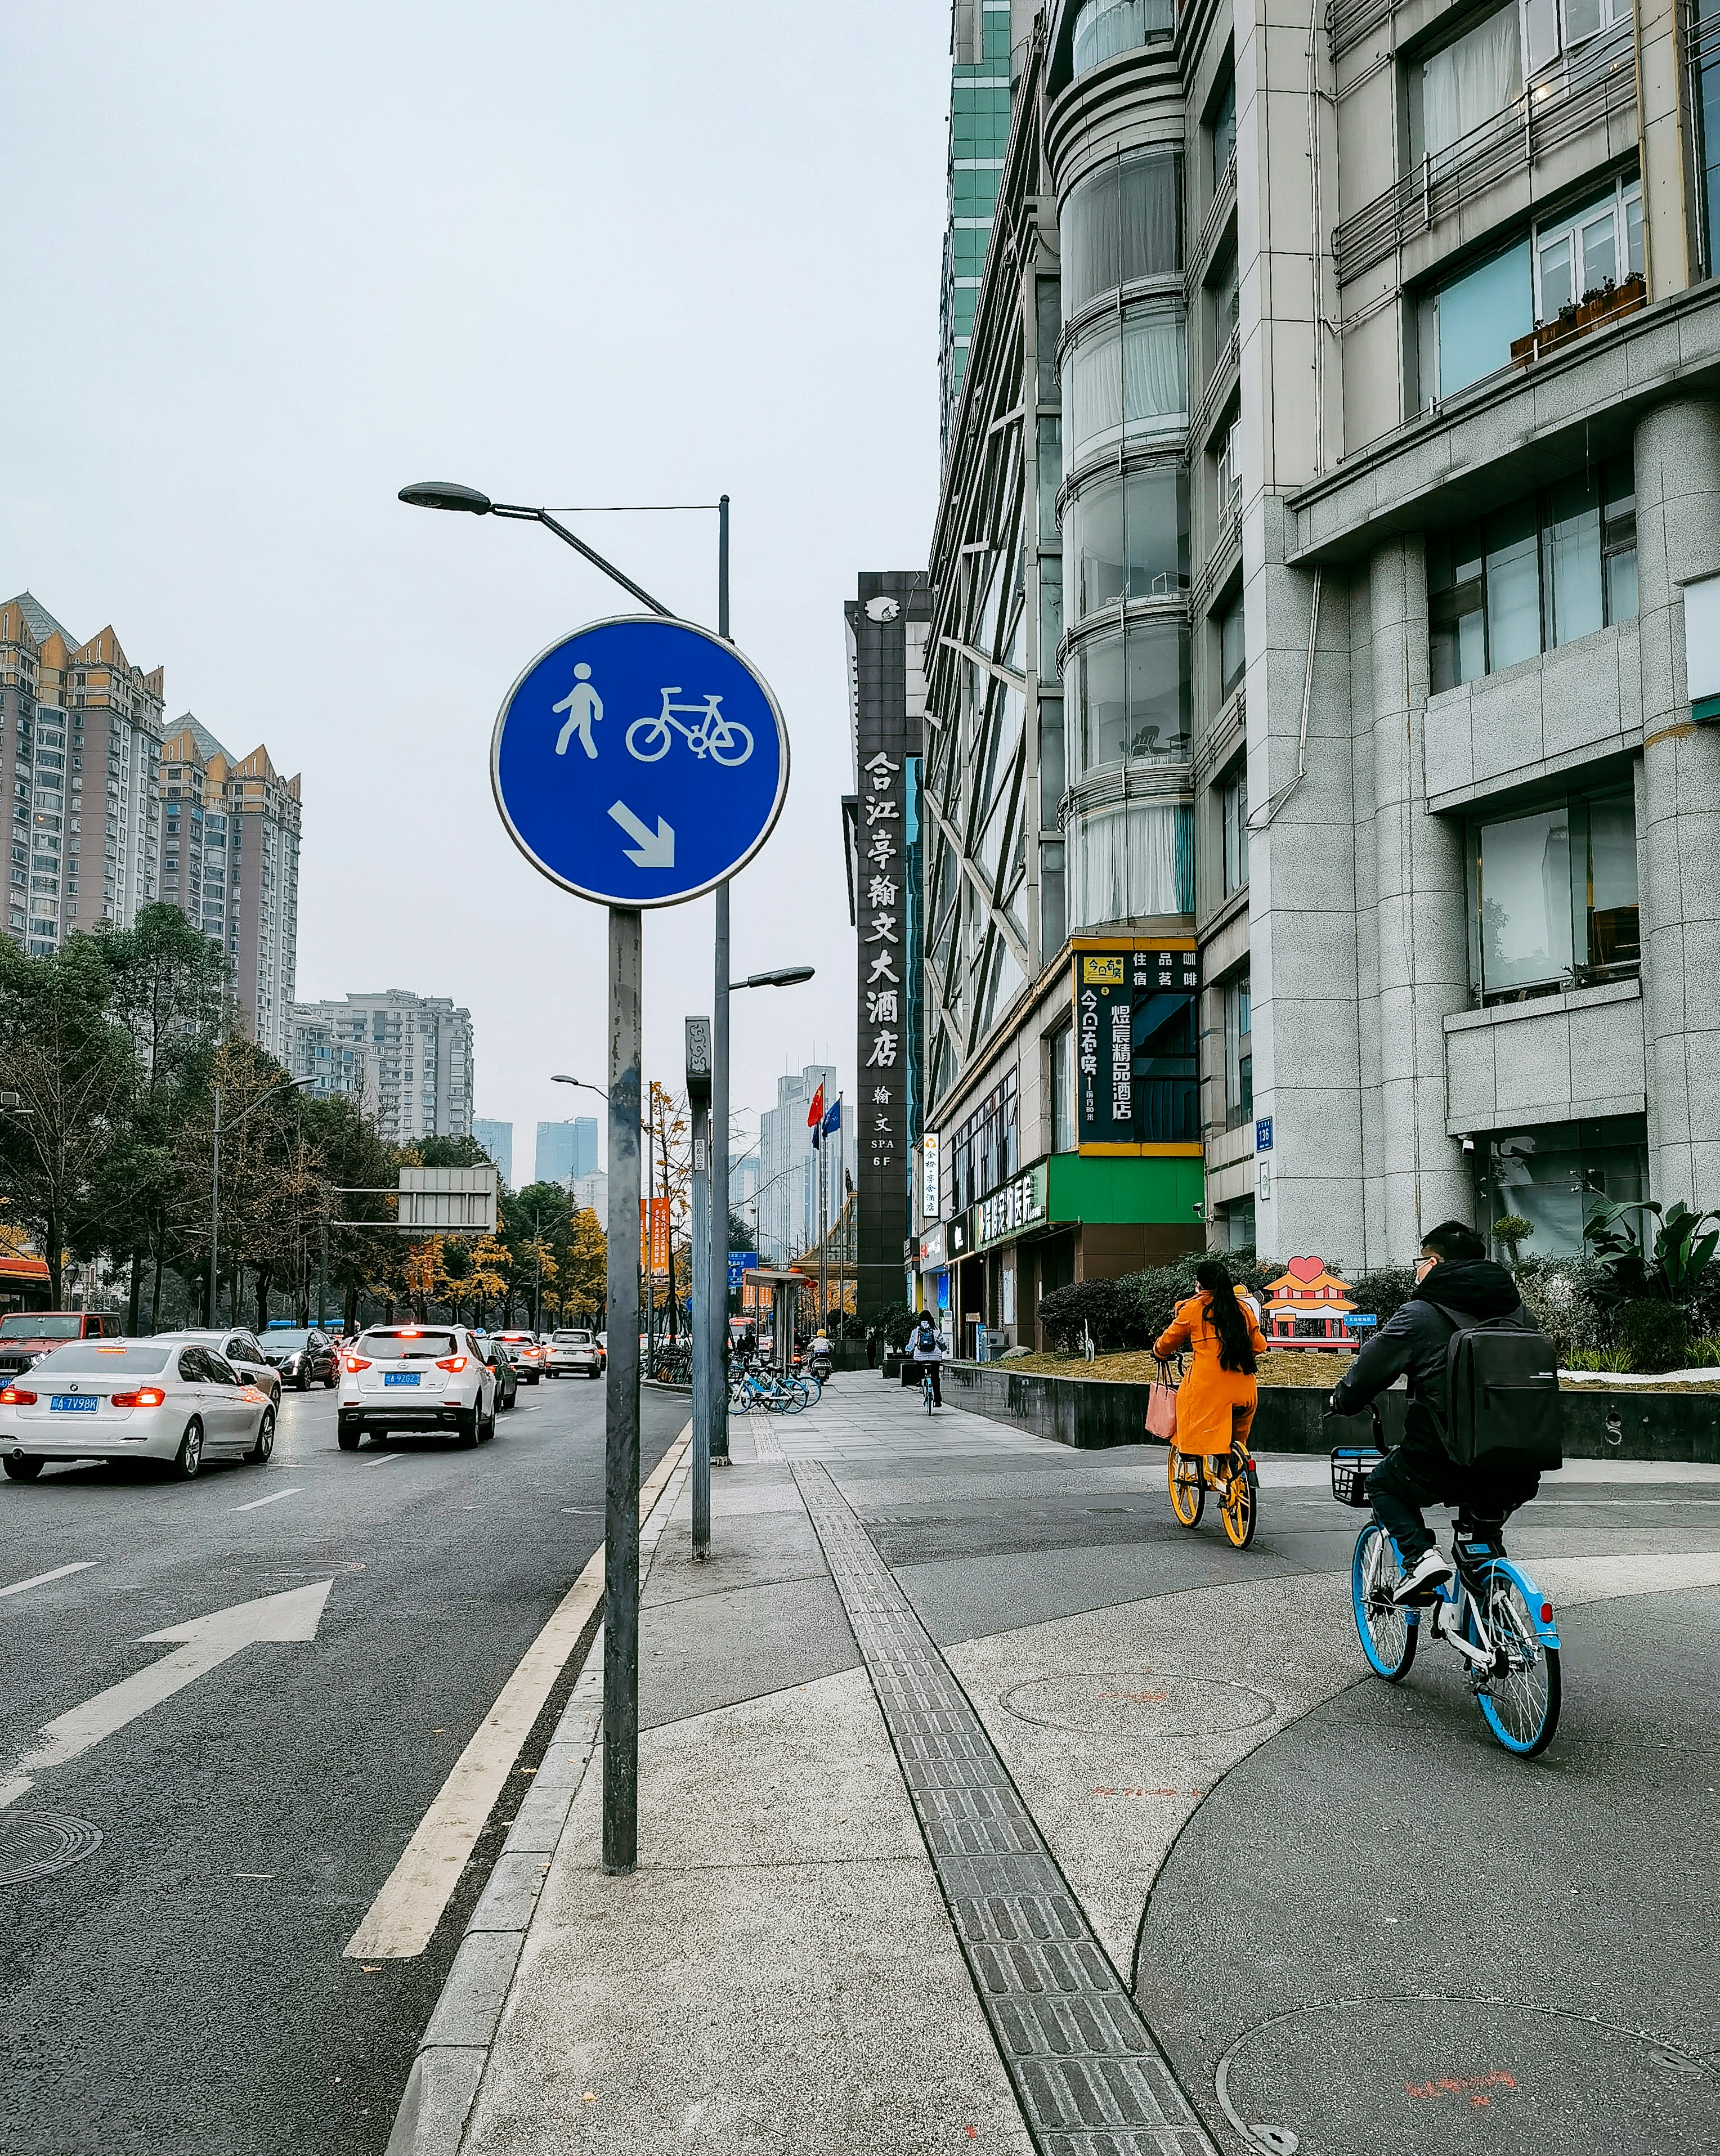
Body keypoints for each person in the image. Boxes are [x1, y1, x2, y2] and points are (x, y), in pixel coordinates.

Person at [1329, 1219, 1542, 1604]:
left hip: (1444, 1459)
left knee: (1383, 1484)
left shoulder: (1420, 1314)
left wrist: (1342, 1401)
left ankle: (1421, 1559)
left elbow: (1368, 1371)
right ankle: (1496, 1612)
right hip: (1521, 1461)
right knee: (1482, 1532)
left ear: (1435, 1262)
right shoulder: (1519, 1312)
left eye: (1420, 1261)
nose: (1417, 1270)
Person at [1153, 1261, 1268, 1457]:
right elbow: (1259, 1346)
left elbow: (1169, 1340)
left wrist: (1158, 1352)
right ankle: (1236, 1462)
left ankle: (1191, 1453)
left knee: (1187, 1409)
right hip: (1245, 1391)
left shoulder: (1193, 1308)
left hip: (1208, 1391)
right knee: (1237, 1441)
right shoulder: (1242, 1309)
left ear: (1199, 1284)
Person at [910, 1311, 945, 1407]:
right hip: (935, 1358)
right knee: (935, 1378)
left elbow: (912, 1344)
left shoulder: (916, 1330)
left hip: (920, 1357)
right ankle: (938, 1400)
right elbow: (941, 1342)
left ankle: (922, 1382)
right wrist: (943, 1349)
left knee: (920, 1371)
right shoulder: (935, 1329)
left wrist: (910, 1350)